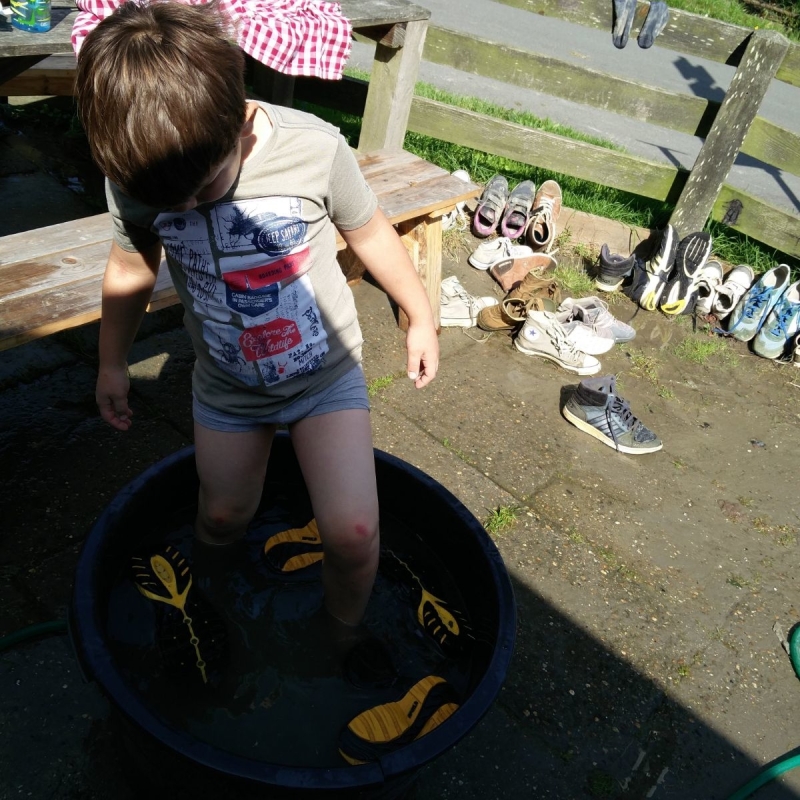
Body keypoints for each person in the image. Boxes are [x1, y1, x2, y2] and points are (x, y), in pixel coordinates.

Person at [74, 0, 439, 639]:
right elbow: (132, 267)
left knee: (353, 533)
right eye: (170, 203)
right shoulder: (137, 179)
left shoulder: (313, 151)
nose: (186, 206)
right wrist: (111, 361)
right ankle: (213, 605)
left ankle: (338, 637)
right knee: (220, 517)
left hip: (325, 376)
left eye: (205, 190)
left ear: (241, 129)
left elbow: (373, 233)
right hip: (228, 387)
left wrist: (419, 313)